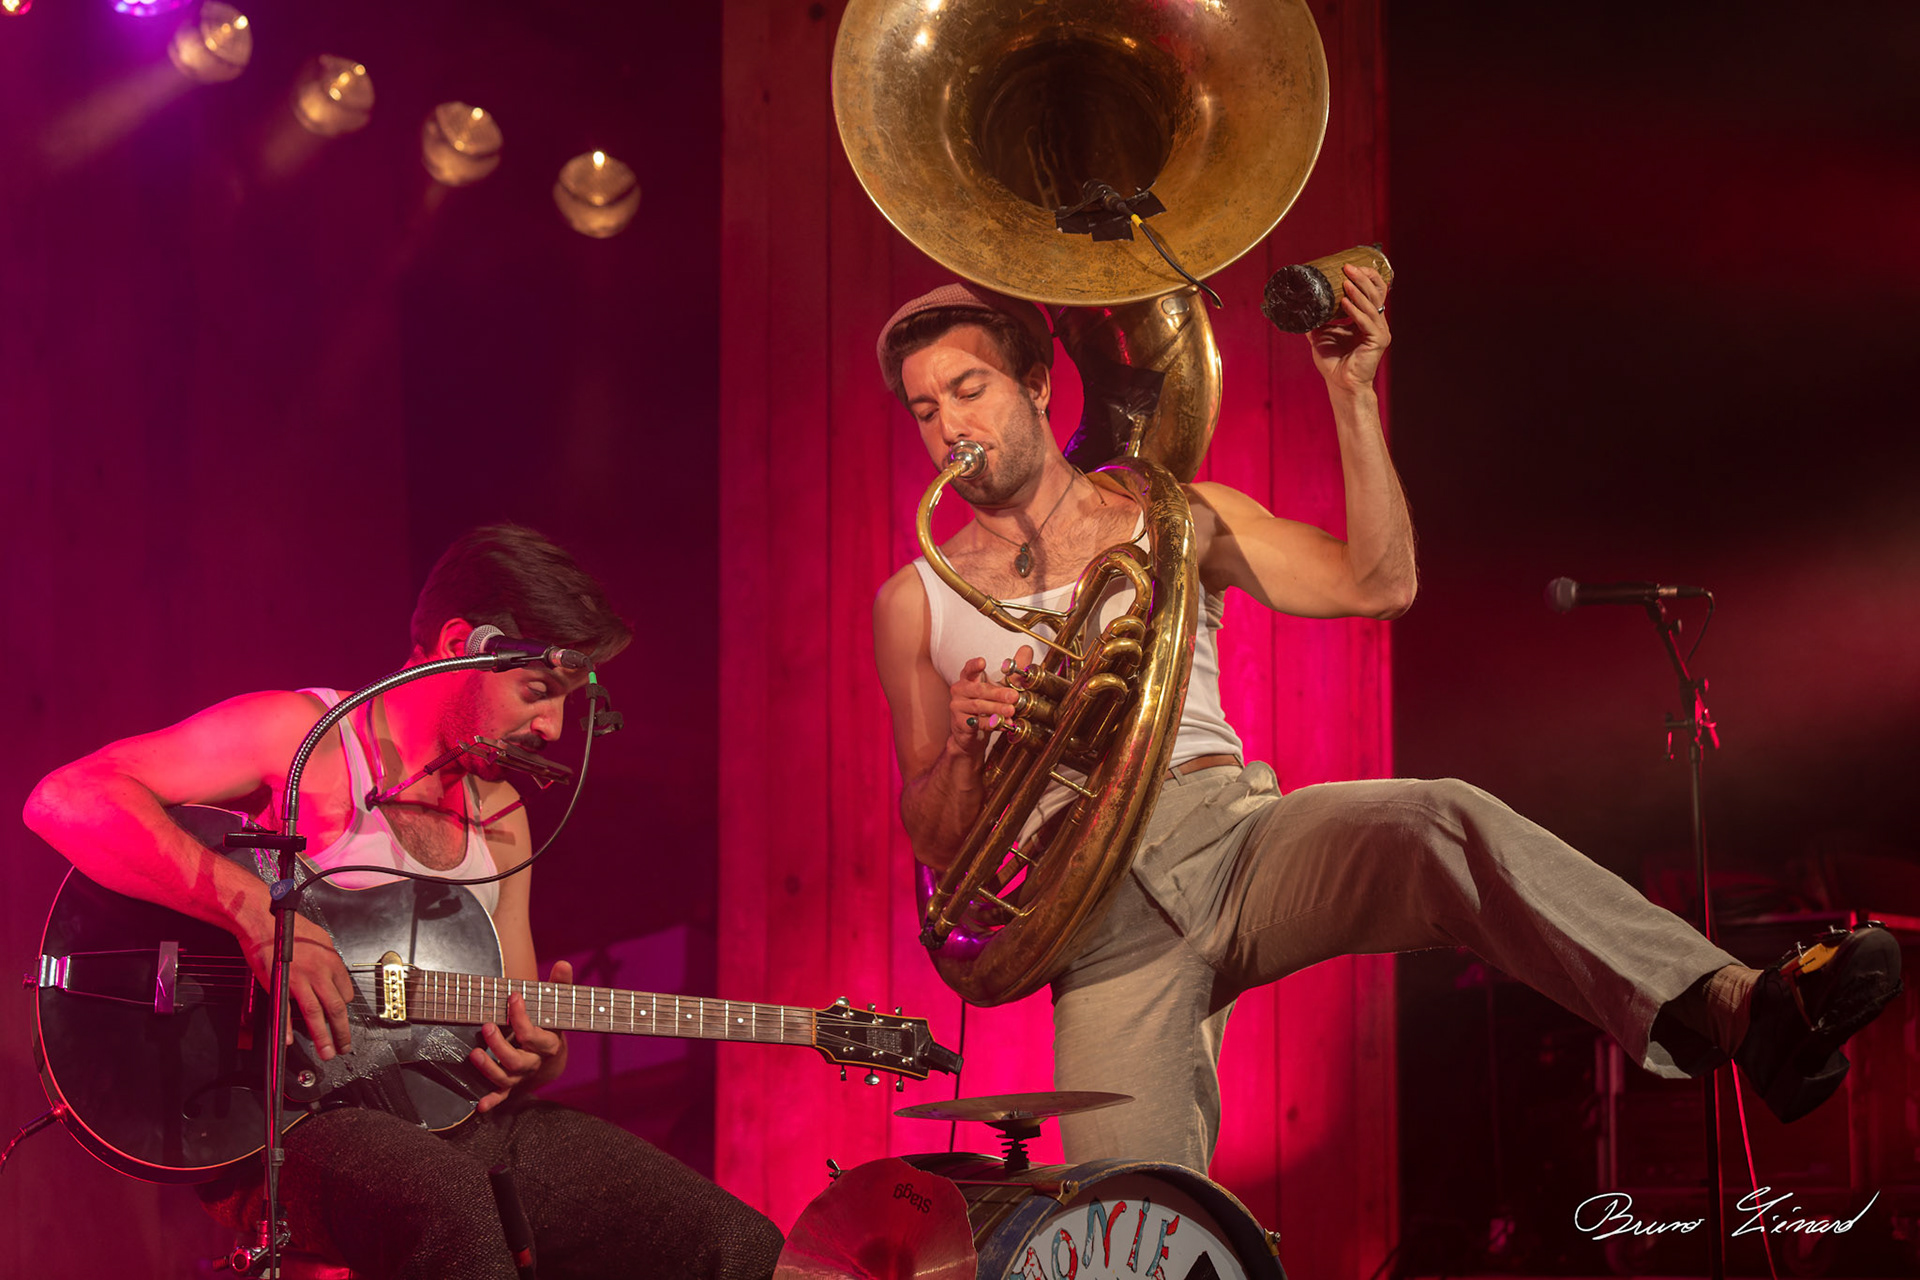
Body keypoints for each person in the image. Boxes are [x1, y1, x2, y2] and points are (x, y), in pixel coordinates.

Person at [869, 275, 1904, 1170]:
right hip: (1091, 918)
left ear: (1039, 384)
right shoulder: (914, 597)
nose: (951, 424)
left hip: (1234, 837)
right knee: (1129, 1220)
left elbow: (1380, 581)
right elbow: (933, 831)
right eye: (925, 408)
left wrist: (1350, 391)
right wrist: (963, 749)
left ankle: (1740, 1004)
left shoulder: (1175, 513)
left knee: (1438, 817)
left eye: (970, 388)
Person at [24, 524, 784, 1280]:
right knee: (449, 1208)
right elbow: (67, 798)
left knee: (732, 1241)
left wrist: (541, 1056)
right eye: (538, 691)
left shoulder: (505, 818)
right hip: (275, 1125)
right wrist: (256, 913)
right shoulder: (304, 735)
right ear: (462, 642)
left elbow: (507, 1023)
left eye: (566, 702)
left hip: (445, 1119)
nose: (554, 727)